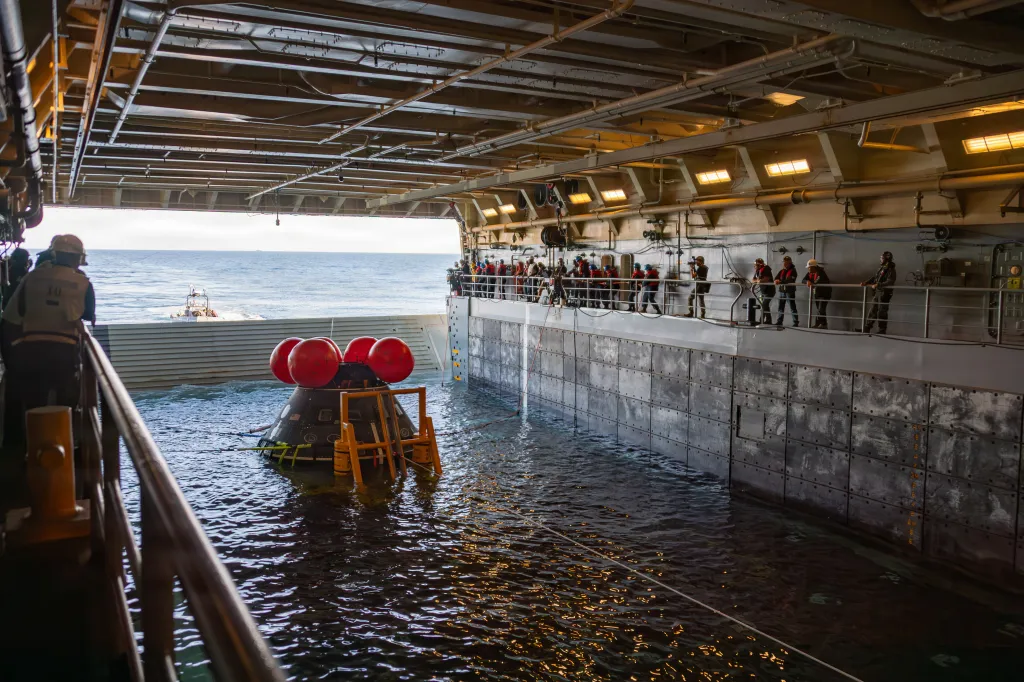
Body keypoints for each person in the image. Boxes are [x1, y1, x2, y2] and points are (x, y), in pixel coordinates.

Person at [1, 235, 96, 442]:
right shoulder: (83, 283)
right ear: (78, 258)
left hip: (31, 350)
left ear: (54, 253)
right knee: (66, 405)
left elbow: (11, 316)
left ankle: (32, 452)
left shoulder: (32, 278)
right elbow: (88, 314)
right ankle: (62, 452)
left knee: (35, 404)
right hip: (64, 352)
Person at [861, 250, 897, 334]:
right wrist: (866, 282)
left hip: (885, 293)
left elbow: (890, 281)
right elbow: (875, 277)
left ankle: (882, 330)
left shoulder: (891, 269)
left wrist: (878, 284)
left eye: (882, 258)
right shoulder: (882, 268)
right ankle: (867, 328)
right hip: (878, 292)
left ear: (886, 259)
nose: (880, 259)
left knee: (882, 311)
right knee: (873, 310)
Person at [801, 259, 832, 329]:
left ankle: (817, 324)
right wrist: (807, 281)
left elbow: (816, 282)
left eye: (809, 267)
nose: (808, 269)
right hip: (817, 294)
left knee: (821, 309)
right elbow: (803, 280)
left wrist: (811, 282)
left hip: (825, 294)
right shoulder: (810, 273)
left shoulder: (821, 273)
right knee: (820, 309)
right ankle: (824, 324)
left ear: (813, 267)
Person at [774, 255, 798, 327]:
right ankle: (779, 321)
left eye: (786, 262)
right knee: (781, 307)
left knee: (792, 307)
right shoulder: (782, 271)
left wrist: (780, 281)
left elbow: (789, 280)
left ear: (790, 263)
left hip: (789, 292)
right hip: (782, 291)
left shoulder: (793, 271)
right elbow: (776, 278)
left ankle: (795, 322)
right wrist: (776, 280)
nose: (784, 264)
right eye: (784, 262)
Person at [752, 258, 775, 325]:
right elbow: (753, 280)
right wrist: (758, 281)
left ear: (759, 265)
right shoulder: (758, 271)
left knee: (764, 305)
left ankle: (761, 321)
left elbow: (765, 279)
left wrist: (759, 281)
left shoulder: (766, 269)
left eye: (755, 265)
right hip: (763, 291)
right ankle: (768, 320)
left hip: (769, 291)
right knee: (765, 306)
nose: (754, 266)